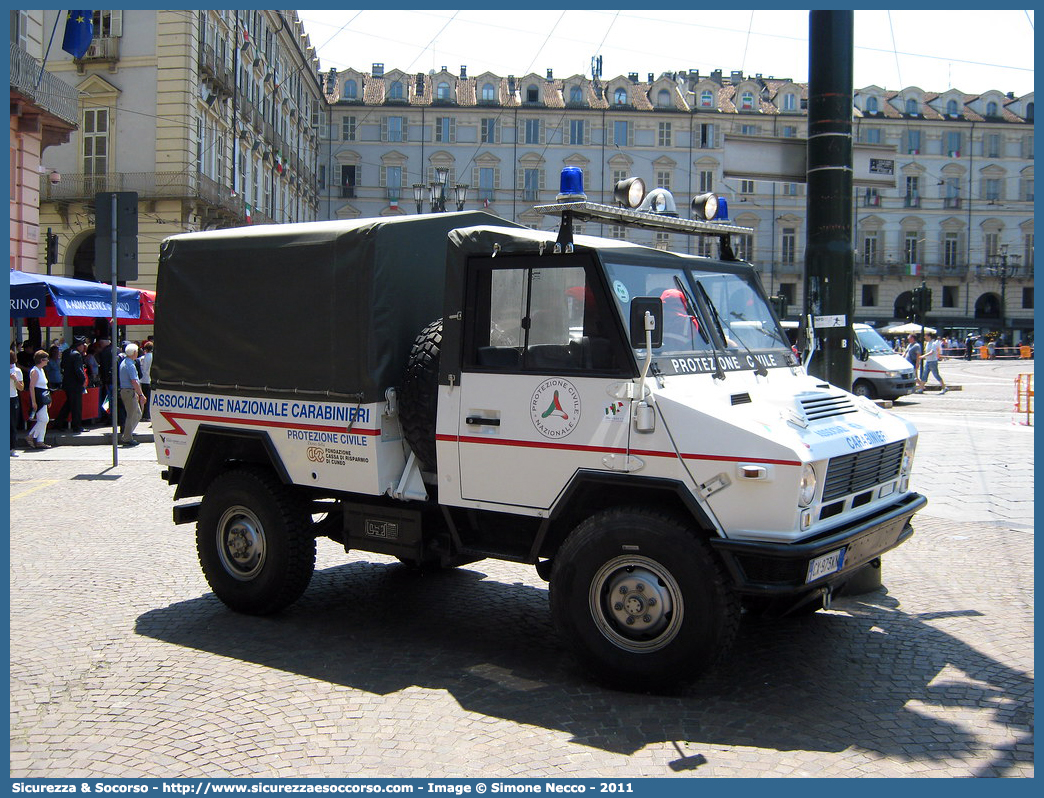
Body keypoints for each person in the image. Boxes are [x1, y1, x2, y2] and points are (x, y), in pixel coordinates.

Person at [53, 336, 88, 432]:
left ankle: (58, 422)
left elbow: (62, 366)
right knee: (76, 406)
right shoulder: (76, 355)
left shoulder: (66, 353)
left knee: (69, 404)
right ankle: (77, 426)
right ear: (79, 345)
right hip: (75, 384)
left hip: (67, 382)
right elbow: (78, 370)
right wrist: (83, 380)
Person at [118, 342, 146, 447]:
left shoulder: (125, 362)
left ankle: (127, 434)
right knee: (132, 415)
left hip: (128, 391)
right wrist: (141, 394)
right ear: (134, 352)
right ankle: (127, 437)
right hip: (129, 391)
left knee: (137, 413)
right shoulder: (130, 365)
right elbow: (134, 381)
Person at [26, 350, 52, 449]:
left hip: (43, 396)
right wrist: (33, 401)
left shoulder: (41, 370)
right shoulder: (35, 371)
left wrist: (49, 399)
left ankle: (40, 440)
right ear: (41, 360)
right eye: (46, 359)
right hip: (38, 397)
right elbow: (32, 387)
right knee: (43, 419)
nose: (47, 361)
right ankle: (32, 435)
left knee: (44, 419)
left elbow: (45, 385)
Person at [10, 351, 24, 456]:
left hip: (12, 398)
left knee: (12, 424)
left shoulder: (17, 371)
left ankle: (12, 448)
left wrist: (15, 379)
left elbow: (21, 388)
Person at [139, 340, 153, 420]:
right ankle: (147, 415)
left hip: (142, 379)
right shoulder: (152, 357)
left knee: (143, 398)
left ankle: (143, 413)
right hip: (149, 380)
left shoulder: (142, 358)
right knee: (149, 398)